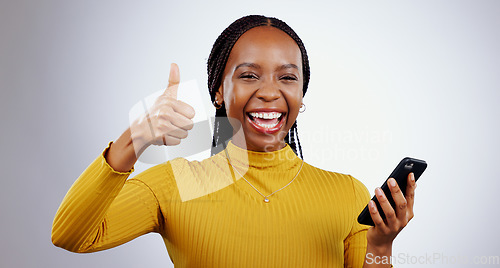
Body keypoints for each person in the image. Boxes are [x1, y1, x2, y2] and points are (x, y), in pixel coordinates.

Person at [52, 15, 416, 267]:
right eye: (249, 75)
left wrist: (381, 246)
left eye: (287, 78)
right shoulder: (175, 183)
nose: (270, 92)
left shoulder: (346, 194)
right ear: (219, 92)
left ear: (302, 94)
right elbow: (72, 237)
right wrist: (135, 138)